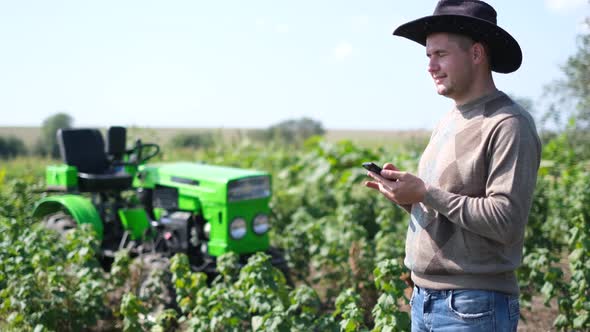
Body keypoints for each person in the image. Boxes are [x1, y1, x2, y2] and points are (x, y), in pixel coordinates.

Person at [364, 1, 541, 331]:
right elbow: (446, 211)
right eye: (428, 56)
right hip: (424, 299)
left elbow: (506, 222)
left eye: (440, 54)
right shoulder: (448, 121)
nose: (430, 66)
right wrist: (409, 198)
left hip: (473, 307)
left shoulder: (508, 124)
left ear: (476, 54)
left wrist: (426, 193)